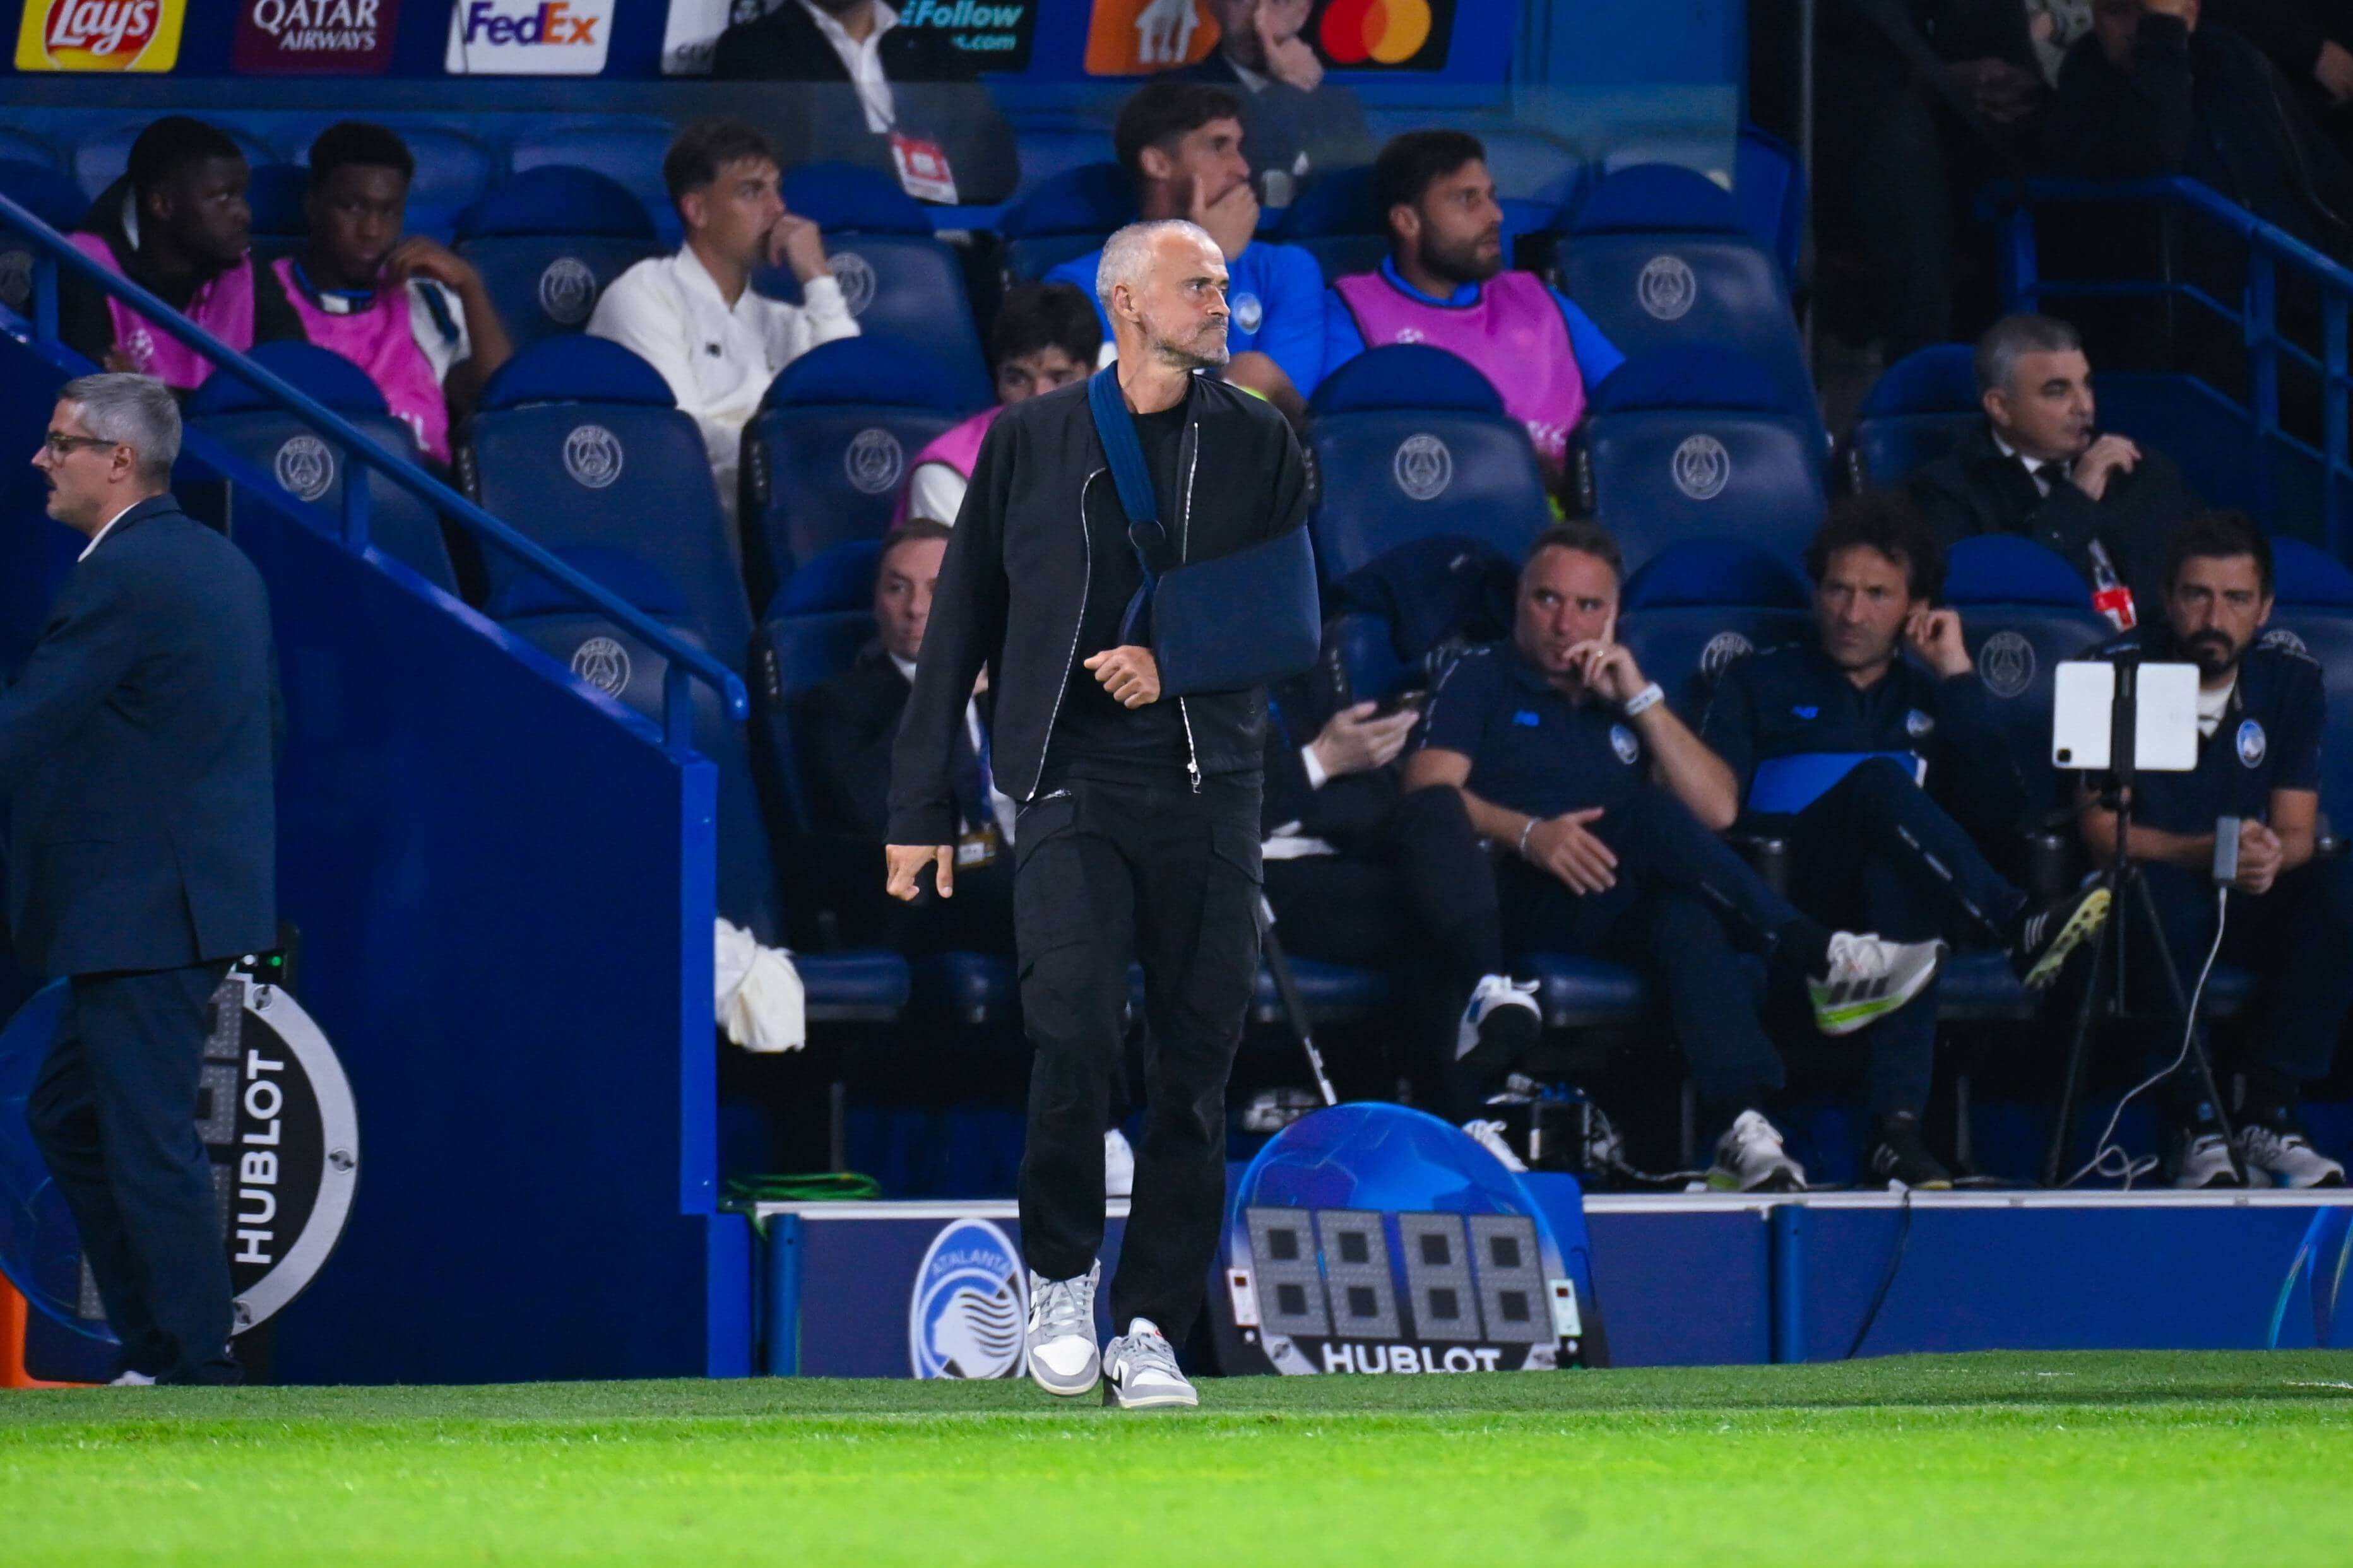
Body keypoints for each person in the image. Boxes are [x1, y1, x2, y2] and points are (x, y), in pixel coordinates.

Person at [886, 219, 1310, 1408]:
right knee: (1069, 1030)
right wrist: (918, 805)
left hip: (1210, 781)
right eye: (1197, 286)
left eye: (1223, 286)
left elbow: (1290, 617)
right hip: (1066, 773)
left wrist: (1168, 660)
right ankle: (1062, 1278)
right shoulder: (1028, 441)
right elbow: (959, 620)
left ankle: (1150, 1327)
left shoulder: (1260, 436)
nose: (1222, 302)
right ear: (1125, 303)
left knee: (1193, 1069)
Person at [1399, 523, 1951, 1193]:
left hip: (1609, 899)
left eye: (1587, 606)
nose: (1564, 622)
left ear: (1613, 618)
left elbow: (1716, 810)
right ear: (1519, 600)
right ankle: (1818, 954)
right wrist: (1527, 832)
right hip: (1508, 895)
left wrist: (1639, 699)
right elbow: (1427, 791)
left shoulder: (1622, 696)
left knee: (1684, 917)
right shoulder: (1481, 674)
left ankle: (1740, 1126)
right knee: (1648, 817)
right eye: (1546, 600)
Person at [1698, 496, 2114, 1188]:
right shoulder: (1757, 679)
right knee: (1877, 786)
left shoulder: (1927, 697)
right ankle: (2016, 926)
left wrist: (1955, 675)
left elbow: (2003, 815)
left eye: (1876, 595)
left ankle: (1894, 1132)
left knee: (1901, 881)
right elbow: (1715, 808)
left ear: (1914, 606)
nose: (1850, 613)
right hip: (1785, 896)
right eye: (1836, 589)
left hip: (1881, 903)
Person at [11, 374, 277, 1384]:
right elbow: (267, 729)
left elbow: (32, 723)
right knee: (71, 1114)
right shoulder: (218, 563)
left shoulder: (124, 575)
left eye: (60, 441)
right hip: (181, 900)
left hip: (144, 910)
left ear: (118, 460)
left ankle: (196, 1366)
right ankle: (159, 1345)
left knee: (148, 1138)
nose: (42, 458)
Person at [2078, 512, 2353, 1188]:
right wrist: (2194, 849)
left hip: (2240, 889)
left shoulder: (2288, 678)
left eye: (2234, 599)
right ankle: (2195, 1120)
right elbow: (2096, 830)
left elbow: (2294, 829)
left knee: (2340, 883)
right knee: (2156, 892)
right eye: (2197, 595)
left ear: (2262, 610)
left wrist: (2267, 856)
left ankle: (2266, 1107)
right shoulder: (2111, 670)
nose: (2212, 615)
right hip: (2155, 885)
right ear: (2168, 600)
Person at [1255, 665, 1542, 1128]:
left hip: (1338, 858)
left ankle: (1488, 989)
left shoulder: (1307, 679)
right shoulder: (1178, 679)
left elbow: (1370, 799)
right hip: (1255, 879)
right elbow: (1197, 807)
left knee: (1438, 809)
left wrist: (1324, 779)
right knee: (1433, 916)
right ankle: (1459, 1126)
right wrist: (1322, 762)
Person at [588, 118, 858, 532]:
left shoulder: (778, 317)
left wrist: (819, 279)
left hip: (784, 514)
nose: (778, 209)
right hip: (684, 523)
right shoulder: (645, 293)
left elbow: (856, 401)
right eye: (752, 192)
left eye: (776, 190)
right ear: (697, 209)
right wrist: (792, 453)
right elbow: (682, 439)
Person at [1325, 130, 1624, 482]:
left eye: (1491, 196)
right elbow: (1358, 446)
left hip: (1571, 509)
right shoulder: (1353, 311)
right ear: (1408, 221)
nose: (1495, 215)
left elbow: (1626, 397)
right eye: (1469, 199)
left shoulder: (1538, 297)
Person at [795, 519, 1016, 957]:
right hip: (928, 889)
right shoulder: (835, 704)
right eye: (898, 589)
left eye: (936, 589)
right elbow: (871, 810)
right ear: (876, 601)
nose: (915, 608)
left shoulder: (1009, 691)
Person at [1046, 82, 1327, 416]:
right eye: (1219, 146)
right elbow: (1120, 410)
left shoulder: (1285, 270)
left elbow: (1283, 409)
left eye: (1240, 148)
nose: (1242, 168)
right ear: (1158, 163)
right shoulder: (1079, 284)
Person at [1909, 314, 2198, 612]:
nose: (2085, 407)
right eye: (2058, 392)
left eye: (2086, 385)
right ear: (2001, 407)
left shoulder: (2137, 470)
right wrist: (2076, 500)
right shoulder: (1946, 491)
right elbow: (2003, 598)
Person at [274, 122, 514, 467]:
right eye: (352, 208)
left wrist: (470, 286)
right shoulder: (262, 294)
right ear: (313, 205)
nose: (372, 230)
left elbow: (497, 403)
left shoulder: (426, 300)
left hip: (425, 503)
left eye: (388, 212)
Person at [2044, 0, 2353, 257]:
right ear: (2096, 19)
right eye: (2117, 12)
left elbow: (2317, 171)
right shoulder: (2085, 79)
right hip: (2184, 309)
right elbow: (2151, 155)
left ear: (2191, 12)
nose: (2136, 30)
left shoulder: (2234, 61)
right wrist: (2163, 35)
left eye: (2148, 15)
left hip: (2298, 295)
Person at [61, 117, 302, 392]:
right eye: (223, 197)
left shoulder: (246, 266)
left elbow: (293, 380)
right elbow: (97, 405)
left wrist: (150, 393)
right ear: (162, 204)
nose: (244, 215)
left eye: (241, 196)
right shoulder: (83, 265)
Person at [709, 0, 1019, 204]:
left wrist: (877, 158)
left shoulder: (931, 50)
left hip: (946, 245)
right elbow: (798, 165)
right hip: (827, 242)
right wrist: (915, 164)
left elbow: (995, 167)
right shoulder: (753, 49)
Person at [894, 281, 1101, 530]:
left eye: (1059, 378)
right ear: (998, 383)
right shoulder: (947, 475)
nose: (1038, 398)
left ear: (1097, 380)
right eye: (1017, 379)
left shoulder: (1133, 452)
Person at [1175, 0, 1376, 204]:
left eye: (1279, 2)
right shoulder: (1180, 92)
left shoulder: (1339, 102)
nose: (1258, 20)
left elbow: (1356, 200)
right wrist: (1291, 91)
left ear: (1303, 12)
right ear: (1214, 6)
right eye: (1243, 2)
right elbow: (1237, 189)